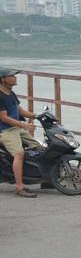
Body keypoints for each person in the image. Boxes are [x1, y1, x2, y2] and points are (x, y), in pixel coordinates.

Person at [0, 67, 40, 198]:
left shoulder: (10, 93)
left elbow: (18, 110)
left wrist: (36, 116)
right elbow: (4, 118)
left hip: (15, 128)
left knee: (39, 147)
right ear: (3, 79)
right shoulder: (0, 96)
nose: (15, 77)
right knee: (19, 154)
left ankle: (47, 178)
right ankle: (19, 187)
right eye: (12, 76)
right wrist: (24, 125)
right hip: (5, 130)